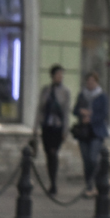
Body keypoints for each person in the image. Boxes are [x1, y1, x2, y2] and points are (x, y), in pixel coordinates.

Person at [33, 64, 70, 195]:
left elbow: (66, 112)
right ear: (53, 76)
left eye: (61, 75)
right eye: (58, 74)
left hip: (57, 127)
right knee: (48, 153)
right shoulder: (46, 90)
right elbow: (40, 109)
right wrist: (35, 128)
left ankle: (53, 183)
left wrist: (65, 130)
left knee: (54, 153)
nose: (60, 77)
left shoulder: (65, 92)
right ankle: (51, 180)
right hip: (47, 126)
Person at [73, 71, 109, 198]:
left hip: (97, 132)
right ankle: (89, 186)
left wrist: (91, 117)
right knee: (86, 160)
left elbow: (104, 114)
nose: (90, 84)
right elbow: (75, 110)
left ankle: (98, 181)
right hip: (83, 132)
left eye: (92, 81)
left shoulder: (102, 96)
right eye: (88, 81)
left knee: (94, 158)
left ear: (96, 82)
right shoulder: (82, 95)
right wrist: (81, 112)